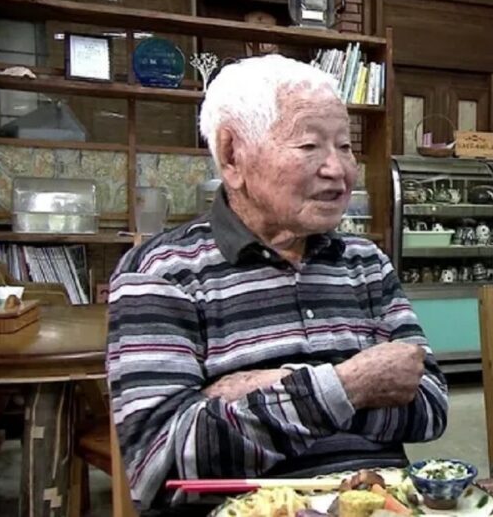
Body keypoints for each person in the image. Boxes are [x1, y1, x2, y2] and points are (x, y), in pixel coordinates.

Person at [106, 55, 448, 514]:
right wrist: (349, 385)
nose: (339, 170)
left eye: (345, 146)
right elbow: (161, 460)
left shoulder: (366, 262)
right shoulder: (161, 271)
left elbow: (430, 404)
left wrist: (267, 386)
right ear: (232, 155)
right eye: (310, 145)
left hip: (376, 502)